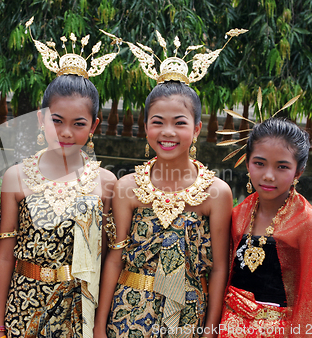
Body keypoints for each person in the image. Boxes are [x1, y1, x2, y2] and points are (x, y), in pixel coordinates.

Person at [0, 21, 119, 337]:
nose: (65, 132)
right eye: (56, 120)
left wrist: (98, 326)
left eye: (78, 124)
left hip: (76, 309)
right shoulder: (16, 177)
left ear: (94, 126)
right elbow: (4, 254)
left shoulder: (105, 182)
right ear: (40, 117)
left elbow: (104, 261)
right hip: (23, 304)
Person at [94, 81, 233, 338]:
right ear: (145, 127)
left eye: (180, 123)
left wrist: (210, 331)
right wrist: (99, 326)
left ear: (197, 129)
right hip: (128, 313)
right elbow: (114, 260)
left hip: (188, 314)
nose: (167, 132)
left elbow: (219, 268)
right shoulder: (127, 187)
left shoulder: (217, 193)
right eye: (158, 122)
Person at [219, 117, 312, 338]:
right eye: (259, 163)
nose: (269, 175)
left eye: (282, 166)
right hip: (228, 328)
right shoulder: (238, 214)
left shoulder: (308, 223)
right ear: (247, 162)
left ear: (298, 171)